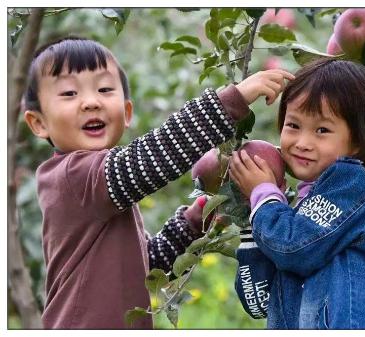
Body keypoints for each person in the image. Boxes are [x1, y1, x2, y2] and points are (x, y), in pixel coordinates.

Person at [22, 36, 294, 329]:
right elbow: (150, 159)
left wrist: (195, 219)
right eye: (69, 93)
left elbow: (145, 266)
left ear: (126, 113)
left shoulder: (99, 188)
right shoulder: (73, 176)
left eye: (104, 89)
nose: (91, 102)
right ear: (39, 123)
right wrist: (232, 100)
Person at [229, 58, 365, 329]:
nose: (303, 143)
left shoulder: (349, 184)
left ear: (358, 141)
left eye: (322, 130)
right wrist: (253, 215)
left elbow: (294, 247)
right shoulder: (291, 212)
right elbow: (257, 302)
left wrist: (263, 196)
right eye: (293, 125)